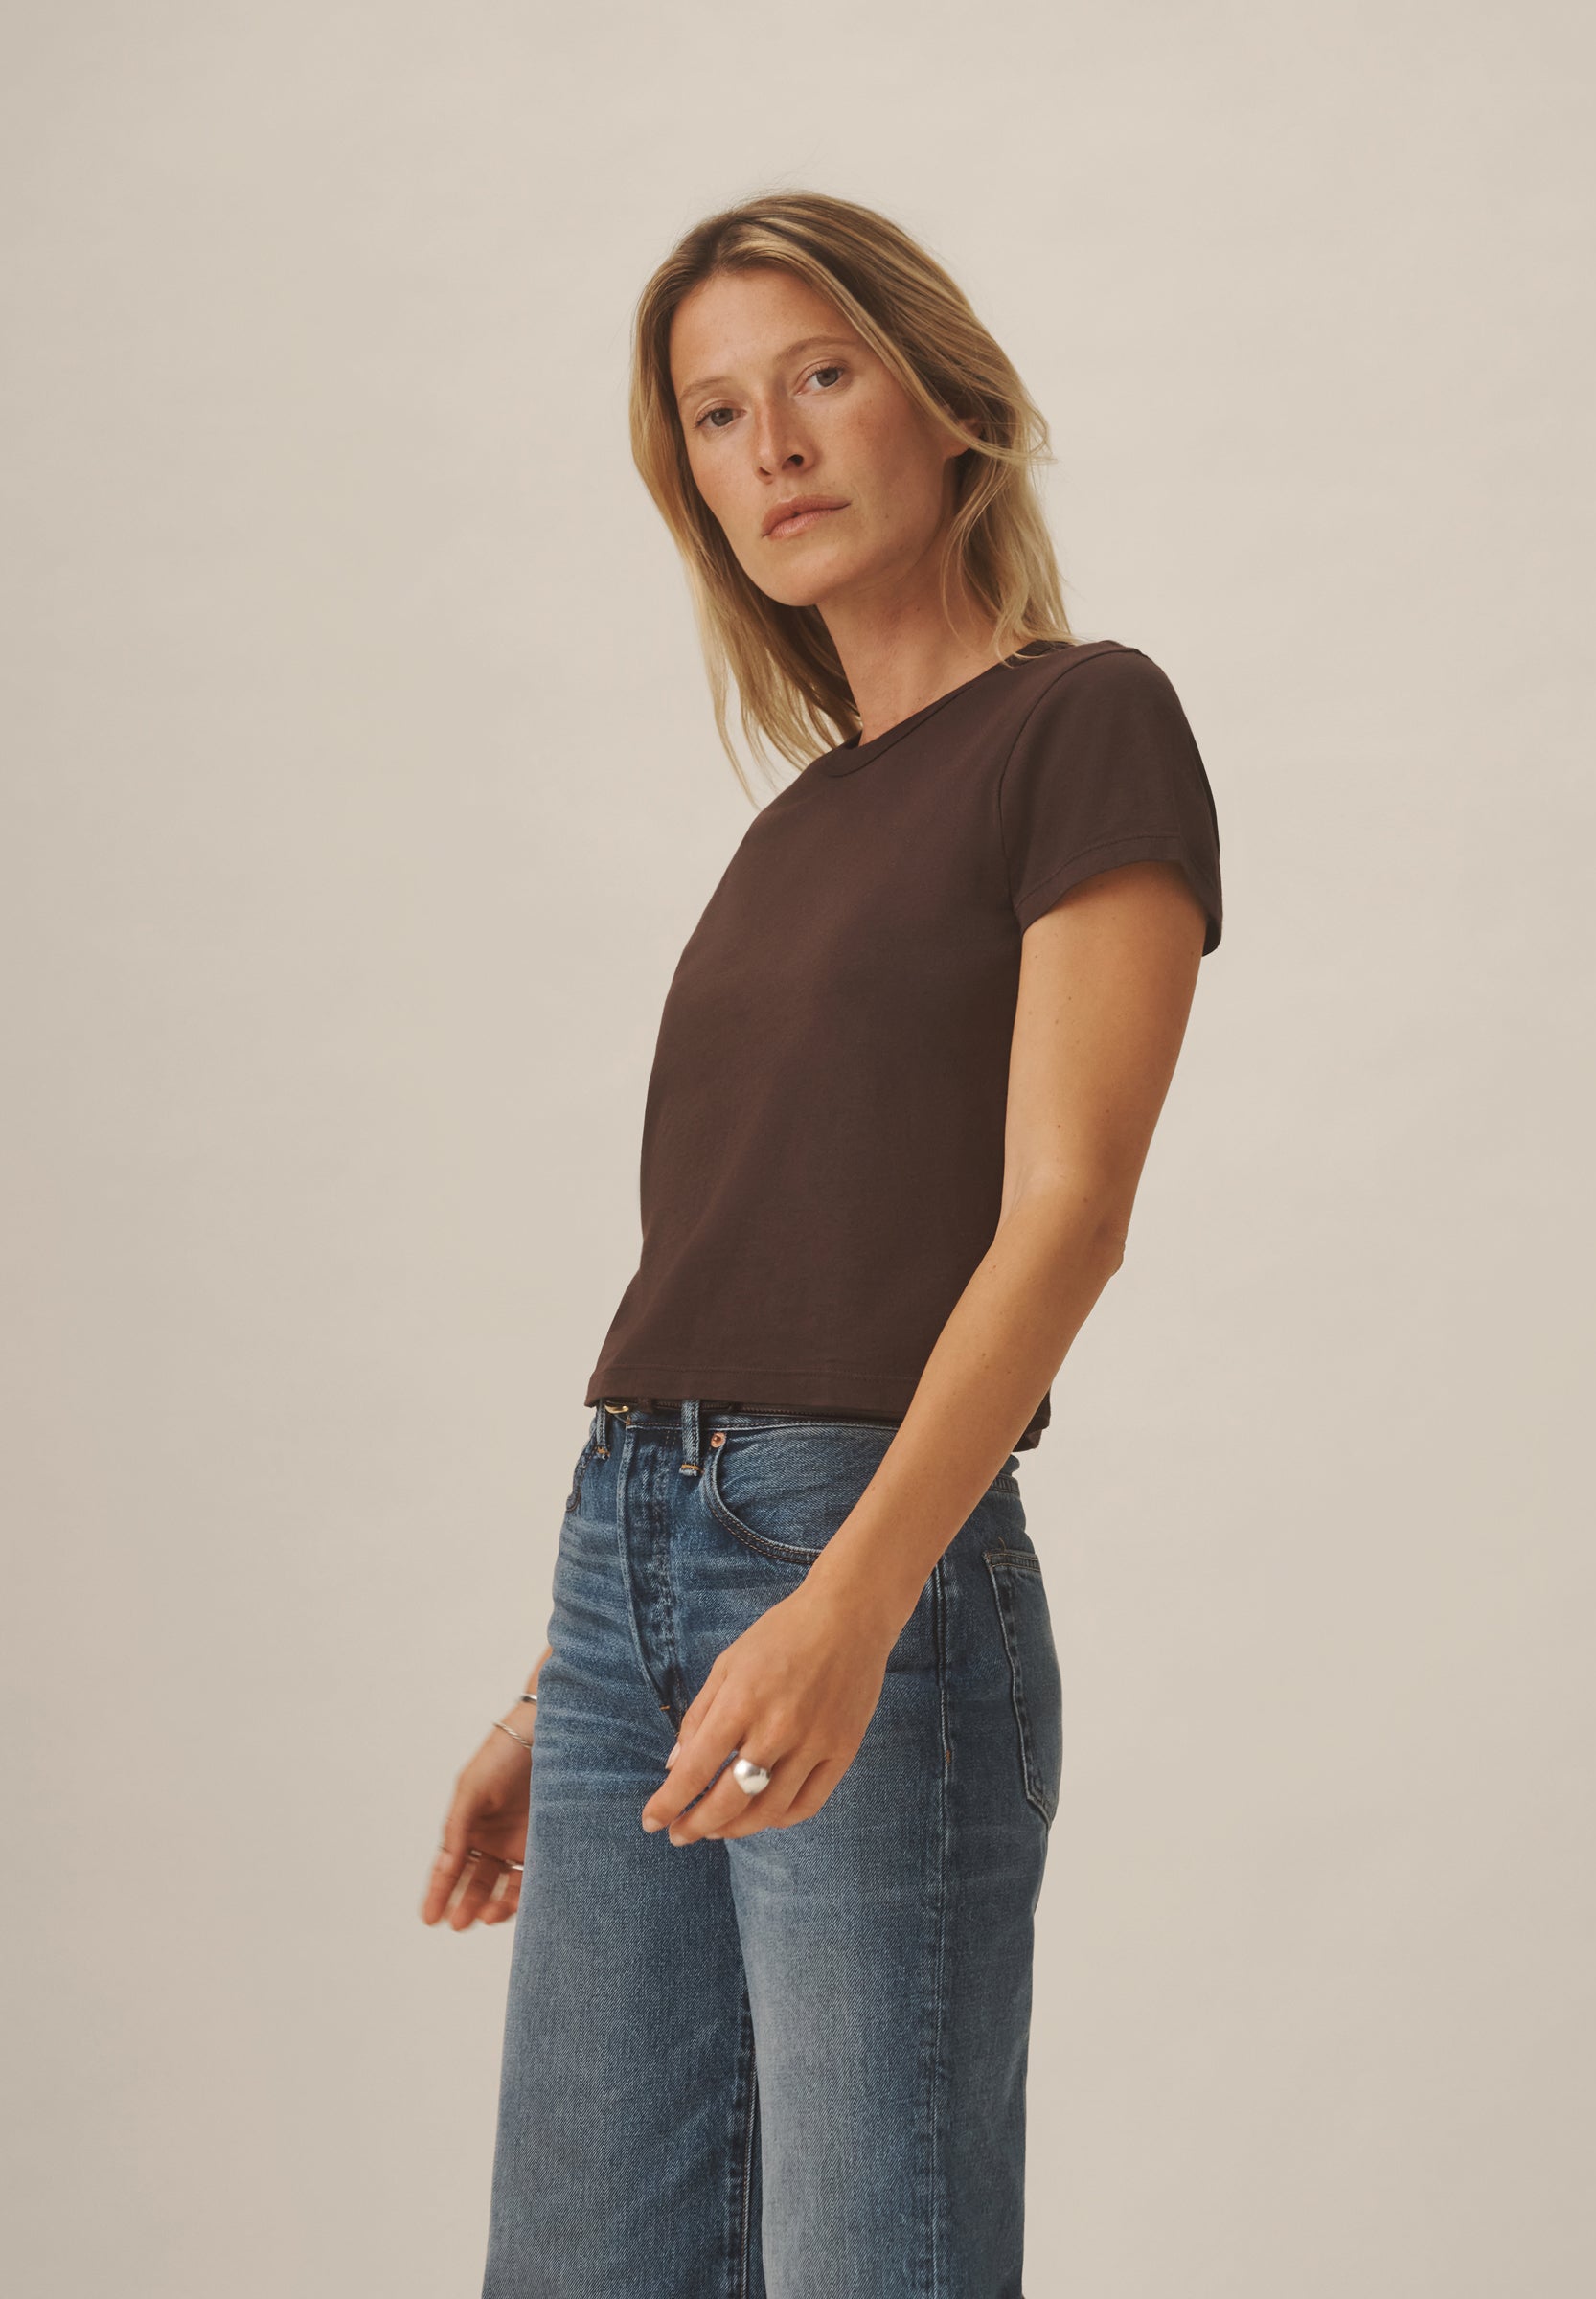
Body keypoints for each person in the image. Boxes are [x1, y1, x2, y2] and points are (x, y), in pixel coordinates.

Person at [421, 189, 1224, 2297]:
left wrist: (849, 1604)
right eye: (714, 414)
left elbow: (1069, 1214)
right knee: (579, 2263)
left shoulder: (1084, 722)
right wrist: (573, 1677)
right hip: (630, 1567)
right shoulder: (799, 817)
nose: (769, 444)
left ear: (944, 400)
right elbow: (748, 1248)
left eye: (820, 376)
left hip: (863, 1551)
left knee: (873, 2260)